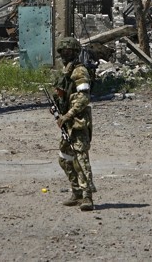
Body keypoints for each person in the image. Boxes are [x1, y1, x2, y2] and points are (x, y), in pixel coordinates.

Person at [53, 36, 95, 211]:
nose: (65, 54)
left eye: (68, 51)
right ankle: (76, 191)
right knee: (65, 158)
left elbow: (84, 97)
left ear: (75, 53)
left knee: (81, 158)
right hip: (67, 121)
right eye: (63, 51)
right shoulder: (65, 71)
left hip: (78, 121)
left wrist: (68, 115)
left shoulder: (79, 71)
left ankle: (87, 196)